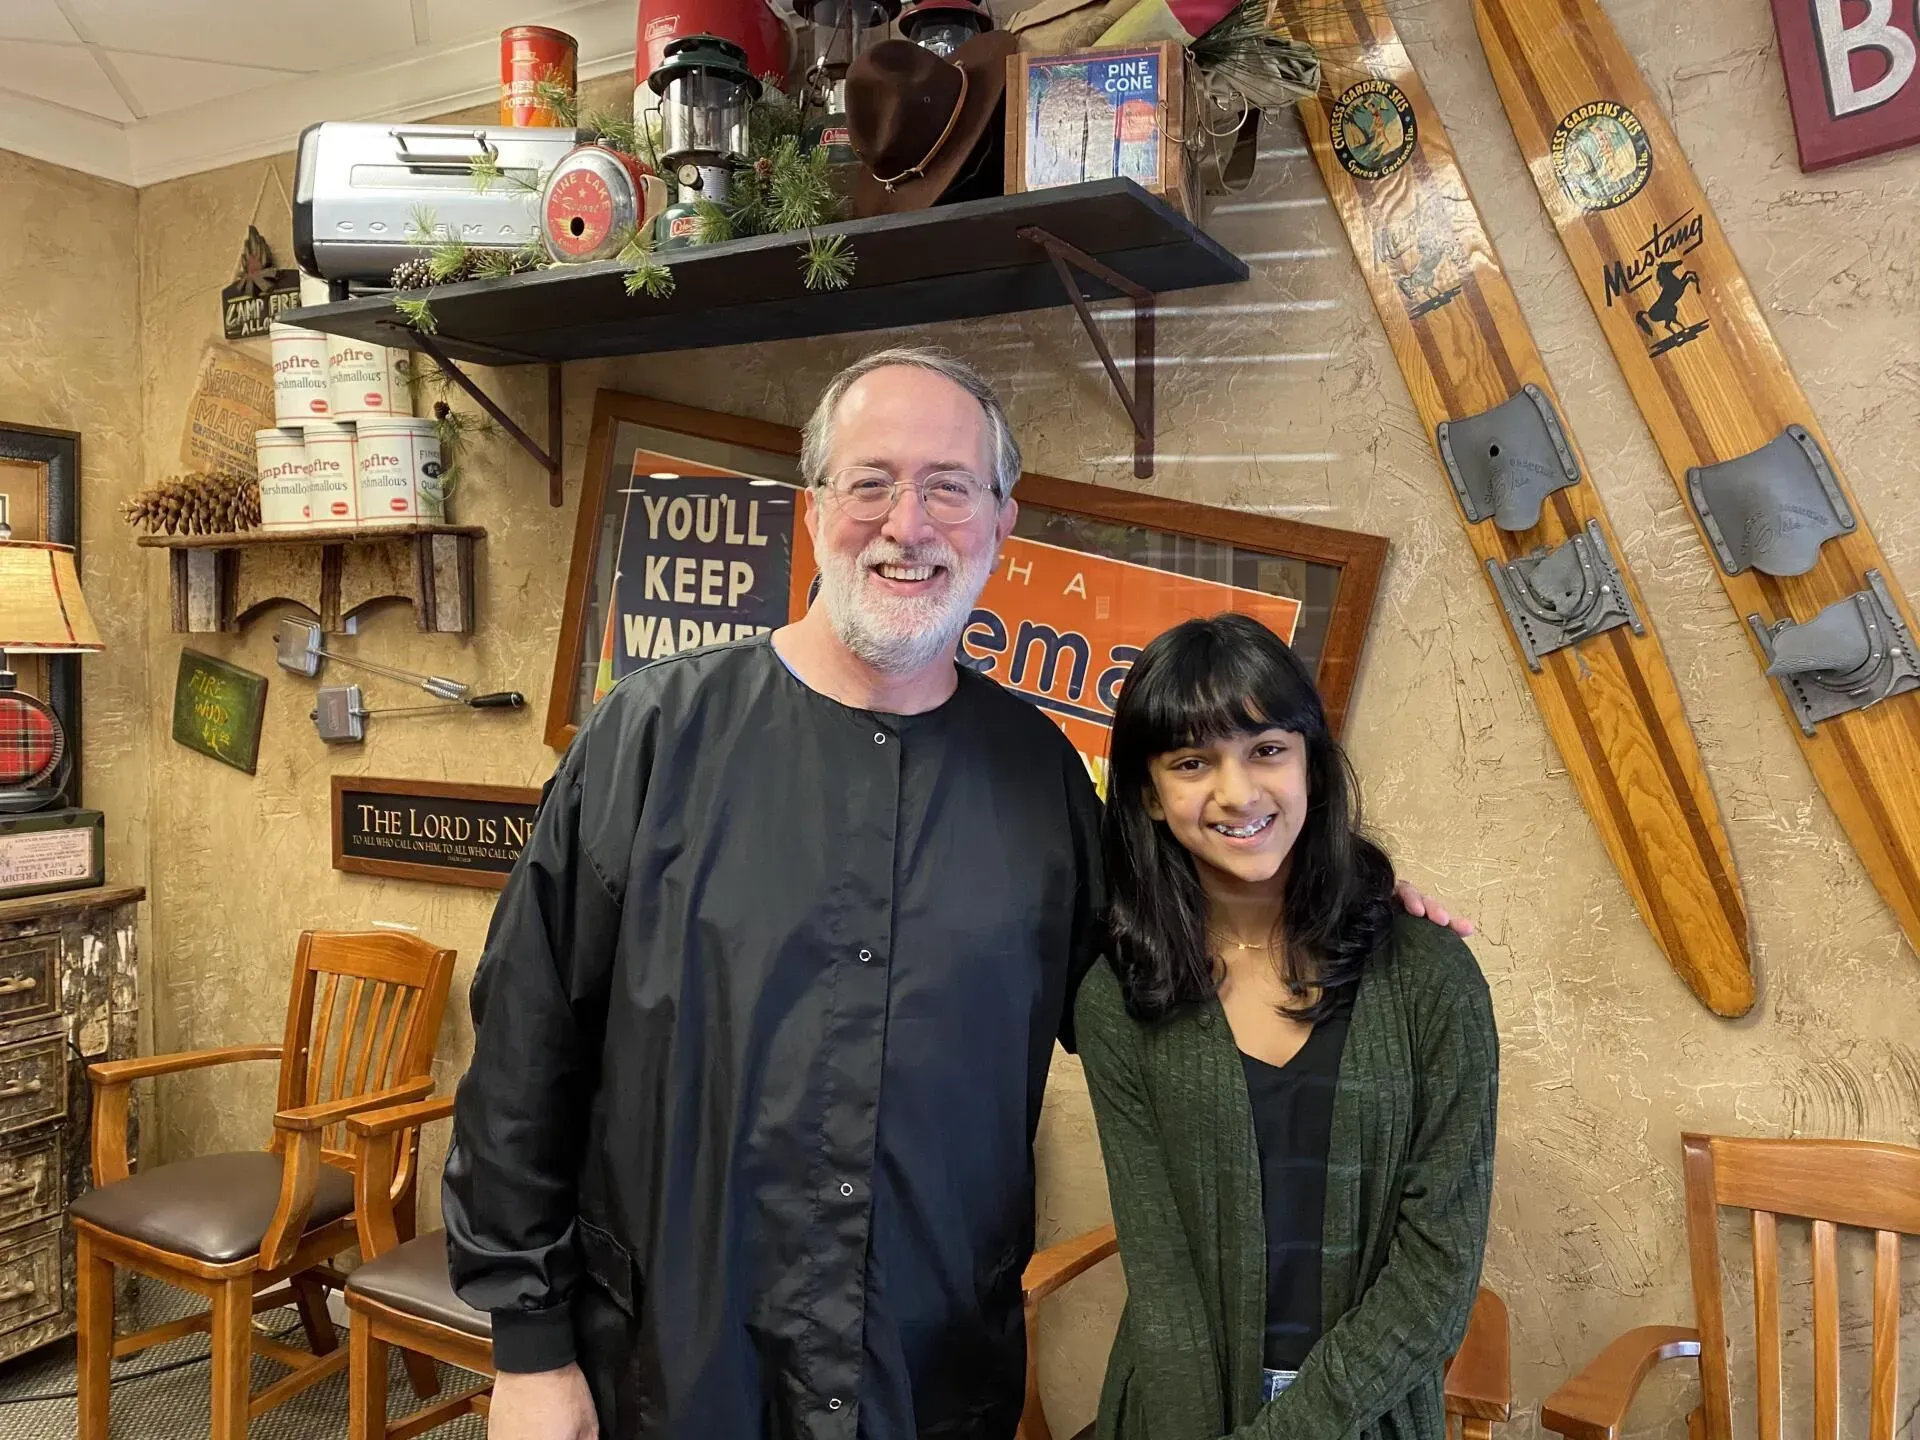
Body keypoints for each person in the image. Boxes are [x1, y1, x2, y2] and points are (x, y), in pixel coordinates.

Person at [444, 346, 1469, 1440]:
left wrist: (1353, 903)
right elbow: (525, 1044)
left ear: (1001, 521)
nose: (908, 523)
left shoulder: (1040, 778)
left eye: (948, 487)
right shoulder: (651, 740)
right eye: (872, 481)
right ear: (813, 510)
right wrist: (530, 1350)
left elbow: (1172, 968)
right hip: (672, 1365)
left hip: (929, 1372)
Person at [1075, 613, 1498, 1440]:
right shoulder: (1120, 996)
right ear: (1151, 797)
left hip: (1367, 1415)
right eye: (1192, 763)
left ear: (1311, 765)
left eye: (1267, 749)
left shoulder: (1430, 977)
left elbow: (1439, 1269)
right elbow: (1161, 1273)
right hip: (1177, 1411)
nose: (1238, 793)